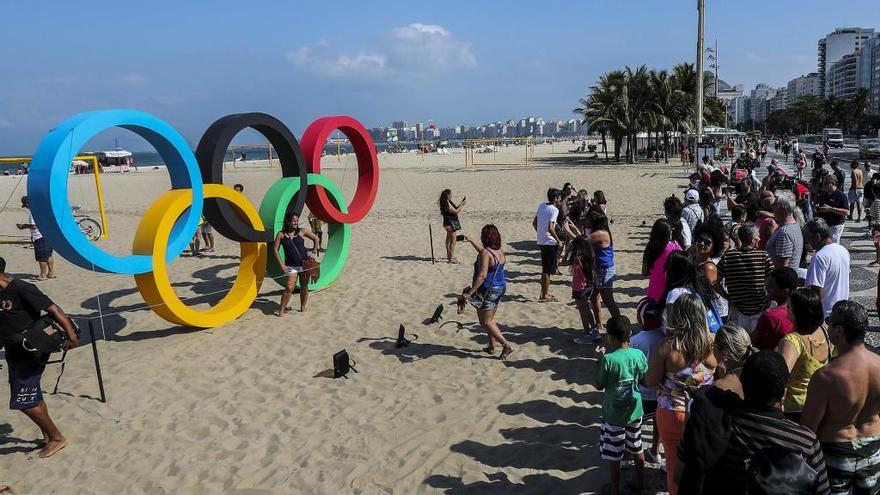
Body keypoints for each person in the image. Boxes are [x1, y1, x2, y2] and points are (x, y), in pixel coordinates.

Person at [676, 351, 830, 494]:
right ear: (784, 392)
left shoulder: (711, 421)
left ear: (742, 384)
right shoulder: (805, 442)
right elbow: (822, 491)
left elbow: (679, 475)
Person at [0, 257, 78, 458]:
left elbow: (54, 309)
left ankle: (56, 438)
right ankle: (47, 436)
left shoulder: (20, 288)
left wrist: (71, 335)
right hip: (14, 352)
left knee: (25, 401)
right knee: (32, 394)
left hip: (31, 350)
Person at [802, 301, 880, 495]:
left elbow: (808, 428)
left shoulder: (826, 376)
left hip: (836, 453)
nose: (826, 326)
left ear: (839, 330)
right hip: (873, 449)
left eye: (830, 322)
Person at [645, 293, 716, 494]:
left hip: (672, 411)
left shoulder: (668, 346)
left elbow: (650, 382)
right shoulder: (710, 343)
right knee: (701, 464)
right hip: (704, 412)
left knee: (673, 465)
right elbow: (719, 368)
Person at [593, 316, 647, 495]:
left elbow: (599, 384)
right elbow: (644, 379)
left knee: (614, 453)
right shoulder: (638, 354)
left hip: (614, 415)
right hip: (635, 410)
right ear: (630, 334)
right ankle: (640, 482)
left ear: (610, 338)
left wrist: (598, 360)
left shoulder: (608, 359)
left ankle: (615, 489)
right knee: (637, 446)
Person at [774, 288, 830, 423]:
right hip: (818, 402)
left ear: (797, 312)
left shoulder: (793, 341)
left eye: (789, 306)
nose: (786, 308)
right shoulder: (825, 330)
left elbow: (781, 376)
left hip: (794, 409)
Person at [458, 225, 514, 360]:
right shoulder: (499, 251)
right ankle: (491, 346)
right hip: (500, 287)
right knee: (490, 319)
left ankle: (506, 345)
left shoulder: (486, 253)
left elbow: (482, 275)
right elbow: (485, 253)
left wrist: (470, 292)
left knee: (486, 322)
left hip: (488, 289)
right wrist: (471, 240)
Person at [716, 223, 773, 333]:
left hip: (737, 311)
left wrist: (726, 296)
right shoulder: (763, 256)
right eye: (758, 237)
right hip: (759, 310)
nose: (760, 239)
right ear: (753, 240)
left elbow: (715, 280)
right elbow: (773, 278)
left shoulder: (729, 256)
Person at [630, 317, 665, 465]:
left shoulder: (635, 339)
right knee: (657, 422)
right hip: (659, 391)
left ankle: (627, 457)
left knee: (632, 424)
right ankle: (655, 451)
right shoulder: (664, 337)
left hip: (641, 391)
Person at [272, 213, 320, 315]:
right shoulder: (281, 234)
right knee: (289, 287)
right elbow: (275, 250)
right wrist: (282, 265)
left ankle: (302, 307)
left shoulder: (302, 231)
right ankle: (281, 310)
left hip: (305, 264)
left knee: (304, 286)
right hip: (291, 266)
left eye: (297, 221)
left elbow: (316, 238)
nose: (296, 223)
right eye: (294, 221)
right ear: (288, 222)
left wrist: (314, 250)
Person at [804, 218, 850, 317]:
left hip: (824, 314)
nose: (807, 241)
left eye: (807, 237)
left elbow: (817, 293)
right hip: (841, 311)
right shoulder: (843, 250)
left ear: (817, 236)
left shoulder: (819, 256)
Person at [752, 267, 797, 351]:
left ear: (785, 292)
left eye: (772, 286)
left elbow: (752, 342)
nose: (767, 287)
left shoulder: (770, 316)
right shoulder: (799, 312)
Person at [565, 234, 598, 345]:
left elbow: (567, 264)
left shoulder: (577, 259)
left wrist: (569, 250)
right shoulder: (590, 256)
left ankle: (587, 334)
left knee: (583, 311)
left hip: (579, 287)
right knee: (588, 309)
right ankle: (595, 331)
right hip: (589, 286)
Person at [642, 219, 682, 305]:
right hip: (667, 293)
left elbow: (645, 272)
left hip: (653, 291)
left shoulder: (650, 247)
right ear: (667, 234)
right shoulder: (674, 247)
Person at [16, 196, 55, 281]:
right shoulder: (42, 209)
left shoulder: (34, 212)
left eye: (26, 205)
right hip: (48, 235)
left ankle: (43, 275)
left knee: (41, 257)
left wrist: (24, 226)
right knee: (48, 255)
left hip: (40, 237)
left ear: (28, 203)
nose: (26, 207)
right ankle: (51, 273)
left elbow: (34, 226)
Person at [533, 188, 562, 302]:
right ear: (555, 198)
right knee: (547, 270)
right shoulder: (554, 210)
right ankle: (545, 295)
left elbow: (535, 222)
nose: (560, 200)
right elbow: (551, 227)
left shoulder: (541, 206)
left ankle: (544, 292)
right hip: (549, 242)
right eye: (559, 197)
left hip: (542, 241)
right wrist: (558, 240)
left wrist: (540, 233)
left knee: (545, 269)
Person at [765, 195, 804, 270]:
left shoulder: (784, 233)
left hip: (781, 279)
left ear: (782, 208)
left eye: (775, 204)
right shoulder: (794, 225)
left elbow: (782, 267)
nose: (772, 207)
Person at [439, 189, 465, 264]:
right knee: (453, 241)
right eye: (450, 194)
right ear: (447, 195)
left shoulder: (444, 203)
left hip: (447, 224)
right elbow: (456, 211)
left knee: (448, 241)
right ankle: (450, 259)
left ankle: (449, 256)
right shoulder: (447, 203)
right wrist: (462, 204)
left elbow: (455, 208)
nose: (451, 196)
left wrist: (460, 203)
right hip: (450, 224)